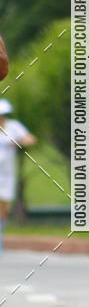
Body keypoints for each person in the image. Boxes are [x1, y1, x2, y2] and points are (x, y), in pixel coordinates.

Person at [0, 99, 36, 250]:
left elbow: (31, 139)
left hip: (7, 175)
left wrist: (16, 141)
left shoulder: (13, 127)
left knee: (4, 207)